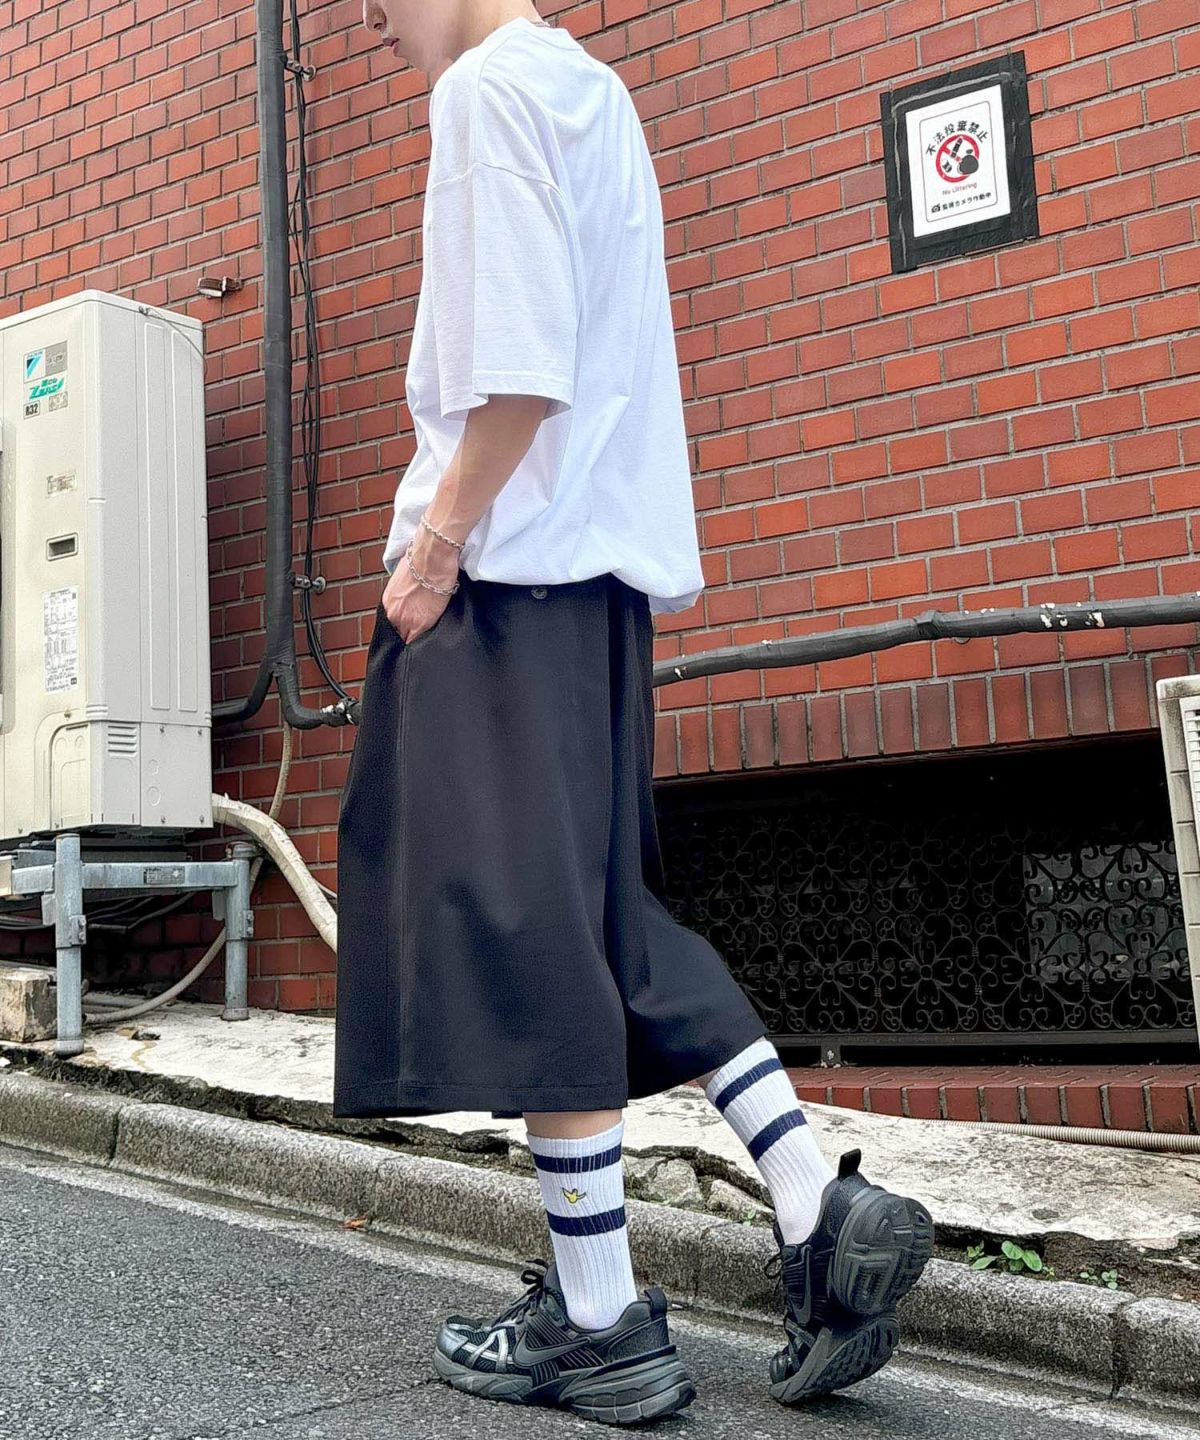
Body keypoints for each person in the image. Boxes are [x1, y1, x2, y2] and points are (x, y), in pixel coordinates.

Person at [340, 0, 933, 1425]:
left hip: (505, 582)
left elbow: (518, 373)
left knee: (528, 932)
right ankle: (815, 1203)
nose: (367, 18)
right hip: (600, 593)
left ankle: (601, 1320)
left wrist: (433, 552)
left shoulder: (487, 95)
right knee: (609, 921)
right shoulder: (592, 92)